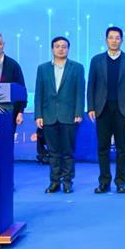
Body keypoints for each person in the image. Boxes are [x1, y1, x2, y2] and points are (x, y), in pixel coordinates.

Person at [86, 26, 125, 193]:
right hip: (102, 109)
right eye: (111, 37)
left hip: (122, 108)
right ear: (106, 40)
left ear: (122, 40)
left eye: (117, 38)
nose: (114, 41)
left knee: (122, 147)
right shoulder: (96, 60)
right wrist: (91, 107)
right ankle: (104, 182)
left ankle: (120, 182)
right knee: (103, 147)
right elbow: (91, 85)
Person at [34, 36, 84, 193]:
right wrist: (38, 115)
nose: (61, 49)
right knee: (53, 153)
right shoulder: (42, 68)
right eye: (57, 46)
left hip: (69, 115)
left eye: (64, 46)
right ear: (52, 49)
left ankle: (67, 182)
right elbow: (39, 93)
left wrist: (78, 112)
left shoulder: (77, 68)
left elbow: (80, 92)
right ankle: (54, 182)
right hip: (48, 115)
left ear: (68, 49)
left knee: (68, 152)